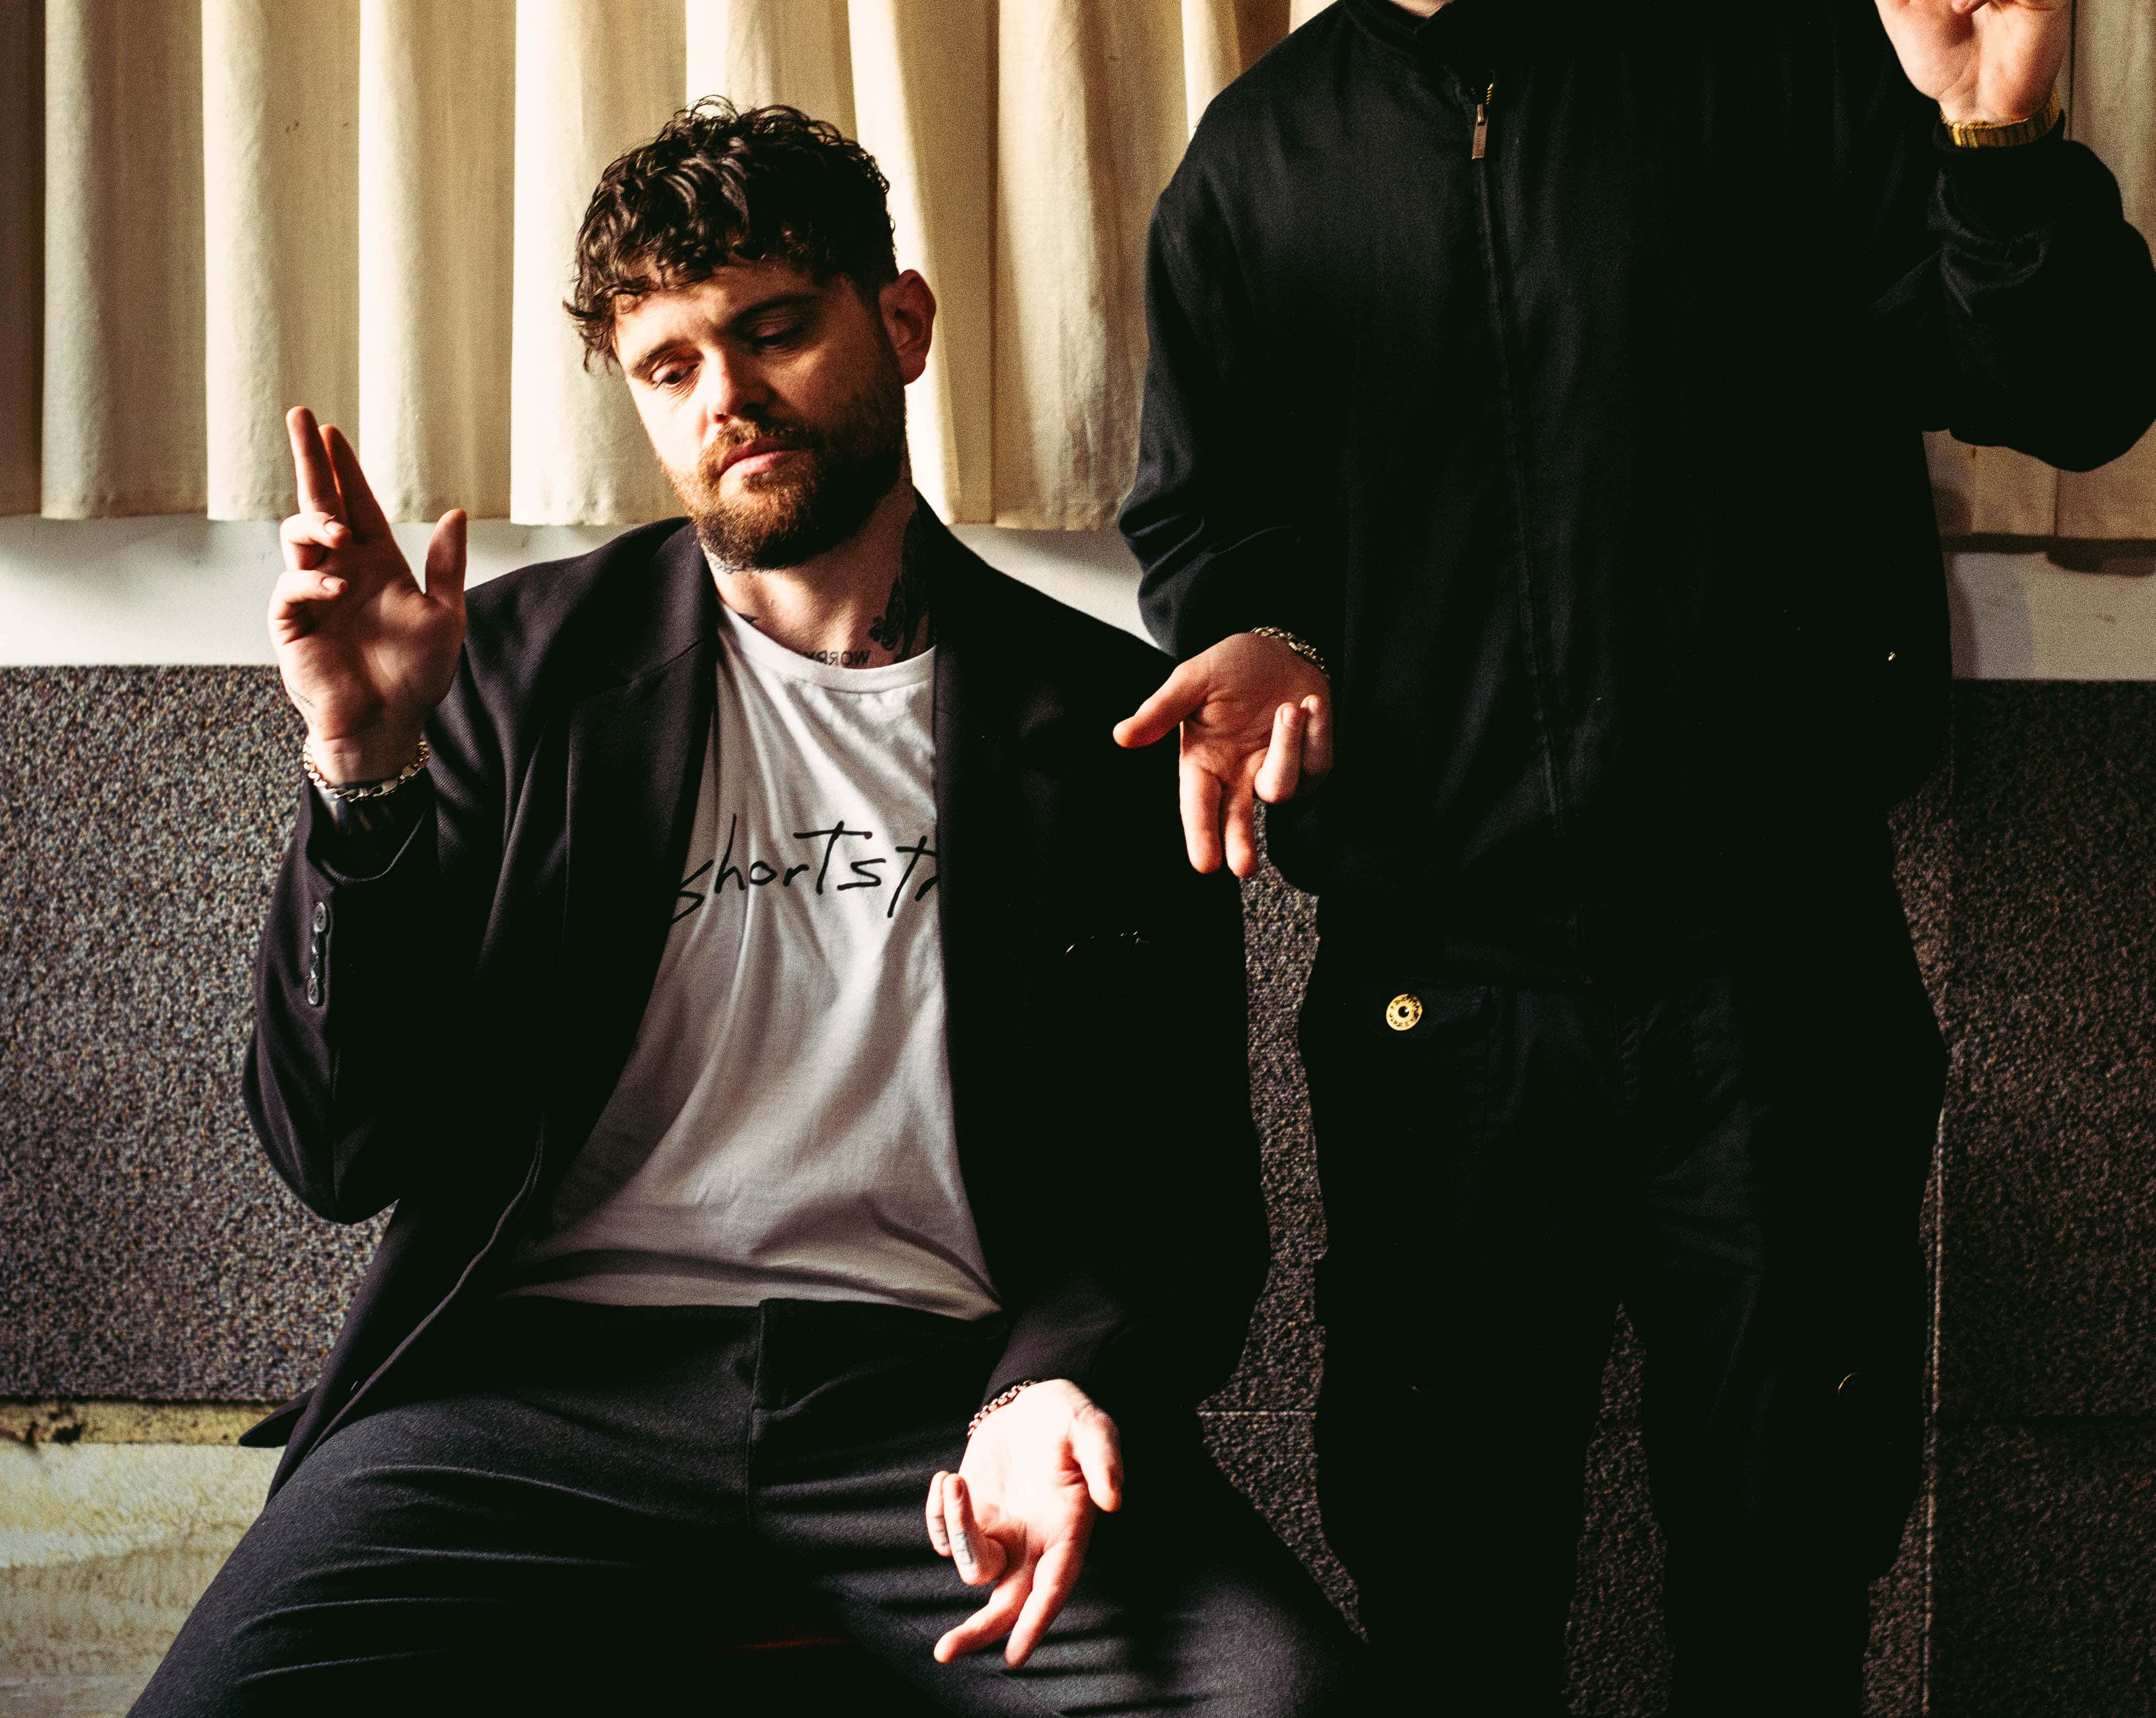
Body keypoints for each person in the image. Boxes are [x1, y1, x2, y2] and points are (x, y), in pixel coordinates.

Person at [1114, 0, 2156, 1715]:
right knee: (1448, 1596)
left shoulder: (1773, 36)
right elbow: (1208, 519)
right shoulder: (1250, 175)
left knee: (1785, 1593)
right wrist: (1244, 624)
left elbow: (2074, 392)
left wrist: (1996, 146)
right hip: (1435, 1010)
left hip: (1773, 983)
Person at [139, 100, 1366, 1716]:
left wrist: (1055, 1386)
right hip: (535, 1396)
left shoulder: (1109, 722)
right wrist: (362, 768)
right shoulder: (506, 670)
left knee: (1282, 1702)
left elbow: (1179, 1189)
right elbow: (339, 1148)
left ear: (901, 323)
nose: (725, 395)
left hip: (938, 1397)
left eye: (774, 329)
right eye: (669, 365)